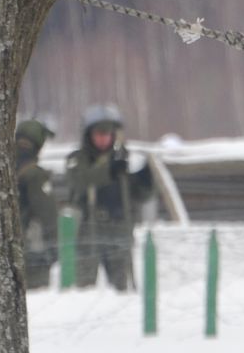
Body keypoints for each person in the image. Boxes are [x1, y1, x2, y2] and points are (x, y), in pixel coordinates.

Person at [64, 102, 153, 290]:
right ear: (89, 135)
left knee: (121, 288)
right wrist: (108, 171)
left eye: (108, 134)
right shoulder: (78, 159)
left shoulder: (124, 159)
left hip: (119, 228)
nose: (104, 139)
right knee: (84, 288)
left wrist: (146, 180)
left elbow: (139, 195)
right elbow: (79, 182)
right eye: (99, 134)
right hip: (89, 230)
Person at [14, 119, 59, 290]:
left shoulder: (2, 167)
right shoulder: (35, 175)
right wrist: (55, 247)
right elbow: (48, 215)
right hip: (33, 253)